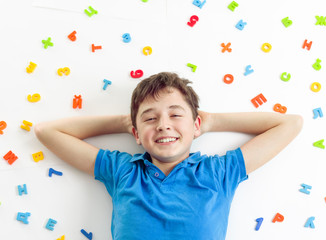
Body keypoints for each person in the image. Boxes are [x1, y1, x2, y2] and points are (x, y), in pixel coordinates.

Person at [34, 72, 303, 240]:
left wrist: (210, 122)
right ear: (136, 133)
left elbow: (290, 124)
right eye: (150, 118)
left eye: (175, 115)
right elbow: (47, 131)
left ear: (195, 125)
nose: (163, 124)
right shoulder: (122, 171)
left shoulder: (218, 173)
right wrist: (124, 123)